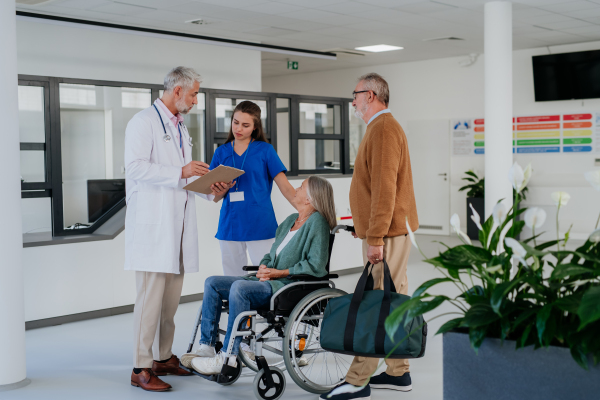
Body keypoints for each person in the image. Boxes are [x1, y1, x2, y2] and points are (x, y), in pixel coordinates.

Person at [124, 66, 222, 392]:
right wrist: (181, 170)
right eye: (193, 94)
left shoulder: (180, 126)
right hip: (154, 230)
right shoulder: (143, 122)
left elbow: (185, 178)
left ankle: (163, 357)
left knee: (169, 302)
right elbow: (136, 168)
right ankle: (141, 366)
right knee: (149, 302)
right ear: (177, 91)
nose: (196, 100)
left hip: (177, 230)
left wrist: (211, 190)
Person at [322, 73, 419, 400]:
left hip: (388, 234)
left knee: (375, 303)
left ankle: (357, 379)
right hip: (390, 231)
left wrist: (374, 236)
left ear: (373, 95)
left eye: (356, 94)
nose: (352, 101)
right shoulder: (379, 128)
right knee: (392, 302)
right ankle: (398, 372)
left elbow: (384, 189)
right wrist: (364, 228)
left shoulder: (383, 128)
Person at [180, 176, 336, 375]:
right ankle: (207, 346)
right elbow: (272, 254)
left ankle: (229, 357)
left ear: (309, 199)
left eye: (301, 186)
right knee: (212, 283)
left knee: (240, 288)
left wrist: (278, 272)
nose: (296, 188)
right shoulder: (290, 221)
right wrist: (264, 266)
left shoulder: (318, 223)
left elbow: (316, 264)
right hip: (269, 280)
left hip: (288, 287)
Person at [208, 101, 296, 277]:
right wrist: (222, 188)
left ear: (255, 127)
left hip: (260, 224)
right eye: (235, 122)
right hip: (230, 225)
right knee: (232, 280)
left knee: (265, 277)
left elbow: (285, 188)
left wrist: (309, 210)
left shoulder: (265, 150)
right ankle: (237, 306)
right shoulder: (221, 152)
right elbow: (214, 196)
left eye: (245, 125)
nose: (238, 128)